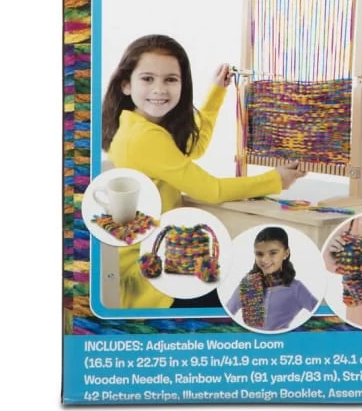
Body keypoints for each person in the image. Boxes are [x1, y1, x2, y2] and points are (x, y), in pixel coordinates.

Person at [100, 34, 302, 308]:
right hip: (152, 276)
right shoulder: (144, 137)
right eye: (147, 78)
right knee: (254, 295)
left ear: (182, 85)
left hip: (163, 259)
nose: (159, 89)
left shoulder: (135, 125)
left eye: (170, 79)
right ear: (126, 84)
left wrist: (216, 92)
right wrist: (276, 179)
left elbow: (194, 147)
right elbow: (211, 190)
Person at [225, 226, 318, 332]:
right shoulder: (248, 285)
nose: (265, 259)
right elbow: (225, 314)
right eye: (259, 254)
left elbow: (321, 316)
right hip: (251, 340)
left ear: (286, 253)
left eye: (273, 253)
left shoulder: (296, 288)